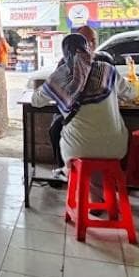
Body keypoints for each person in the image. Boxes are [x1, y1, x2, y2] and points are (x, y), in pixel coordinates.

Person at [32, 34, 135, 179]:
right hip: (116, 148)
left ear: (64, 53)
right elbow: (132, 94)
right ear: (88, 48)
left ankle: (68, 172)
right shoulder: (107, 70)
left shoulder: (59, 77)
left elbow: (36, 101)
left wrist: (55, 88)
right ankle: (94, 184)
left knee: (61, 128)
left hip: (77, 150)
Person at [48, 26, 99, 175]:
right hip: (69, 111)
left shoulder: (102, 61)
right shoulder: (64, 63)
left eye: (93, 40)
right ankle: (63, 168)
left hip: (94, 113)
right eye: (86, 41)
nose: (90, 44)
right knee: (55, 128)